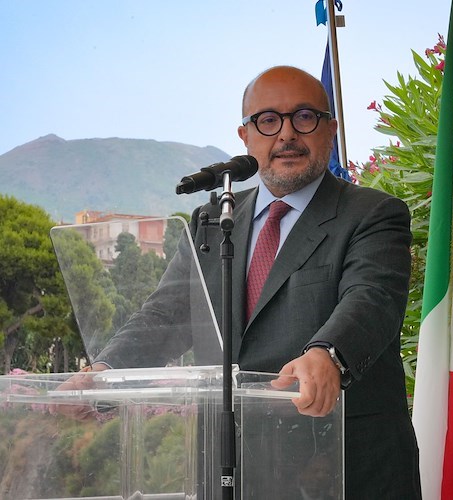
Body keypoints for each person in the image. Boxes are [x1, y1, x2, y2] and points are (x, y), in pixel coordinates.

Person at [57, 66, 421, 498]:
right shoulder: (213, 221)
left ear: (331, 130)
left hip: (345, 463)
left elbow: (371, 298)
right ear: (245, 136)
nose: (286, 134)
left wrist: (329, 353)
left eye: (304, 117)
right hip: (233, 464)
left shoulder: (373, 214)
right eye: (268, 120)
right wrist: (102, 372)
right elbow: (166, 314)